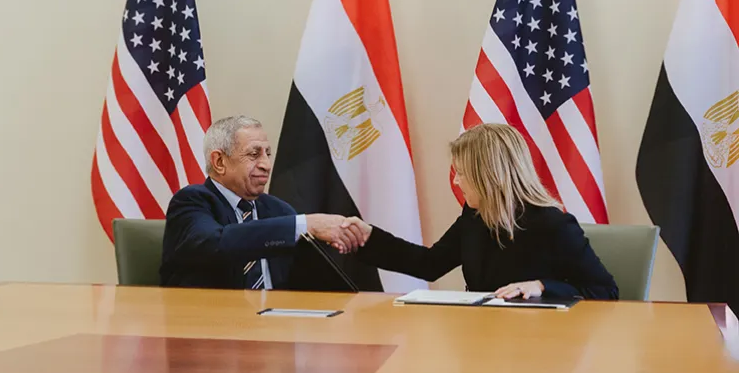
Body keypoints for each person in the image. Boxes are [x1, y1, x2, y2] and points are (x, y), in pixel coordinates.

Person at [351, 123, 619, 300]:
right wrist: (368, 238)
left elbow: (606, 291)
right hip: (481, 337)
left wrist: (542, 285)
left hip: (539, 346)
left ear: (488, 177)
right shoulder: (474, 216)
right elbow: (429, 264)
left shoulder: (553, 225)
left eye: (463, 174)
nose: (456, 182)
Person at [160, 116, 369, 289]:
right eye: (254, 154)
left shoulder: (278, 210)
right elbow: (216, 243)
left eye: (268, 154)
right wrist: (306, 225)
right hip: (211, 327)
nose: (266, 165)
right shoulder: (191, 202)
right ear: (219, 162)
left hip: (277, 323)